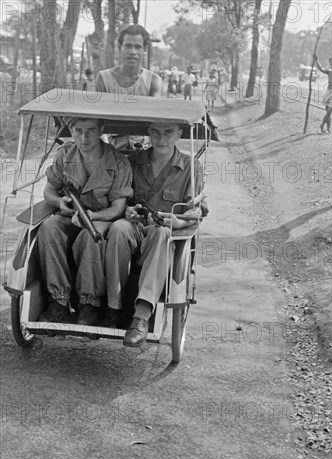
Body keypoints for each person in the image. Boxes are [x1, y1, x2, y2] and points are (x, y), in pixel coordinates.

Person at [104, 121, 207, 344]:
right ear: (148, 133)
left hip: (163, 232)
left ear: (179, 133)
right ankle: (113, 307)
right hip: (135, 227)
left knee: (161, 233)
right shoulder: (132, 162)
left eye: (168, 132)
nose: (161, 139)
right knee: (118, 228)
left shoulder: (191, 166)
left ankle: (141, 316)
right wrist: (128, 210)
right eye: (156, 132)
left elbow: (197, 208)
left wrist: (178, 221)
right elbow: (122, 199)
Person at [37, 117, 133, 326]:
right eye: (78, 130)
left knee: (90, 237)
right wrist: (59, 202)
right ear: (70, 131)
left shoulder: (118, 162)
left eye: (90, 130)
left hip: (102, 216)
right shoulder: (65, 154)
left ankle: (90, 304)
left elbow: (117, 208)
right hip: (70, 215)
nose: (84, 137)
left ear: (101, 130)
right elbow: (49, 189)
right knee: (48, 227)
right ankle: (59, 302)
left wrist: (92, 216)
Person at [95, 24, 163, 149]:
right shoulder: (103, 78)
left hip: (144, 150)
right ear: (120, 47)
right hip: (110, 150)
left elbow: (156, 121)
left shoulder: (154, 81)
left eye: (138, 47)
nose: (133, 52)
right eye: (128, 46)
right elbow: (94, 120)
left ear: (145, 49)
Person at [313, 53, 332, 133]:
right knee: (328, 113)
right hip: (328, 92)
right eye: (331, 63)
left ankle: (322, 125)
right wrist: (316, 60)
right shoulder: (329, 71)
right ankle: (328, 128)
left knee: (329, 112)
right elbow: (321, 69)